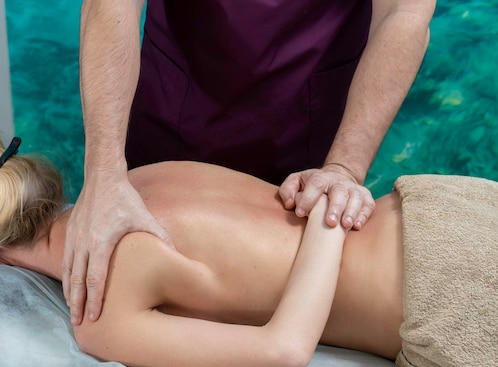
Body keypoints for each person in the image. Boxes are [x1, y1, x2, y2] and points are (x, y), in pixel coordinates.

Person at [0, 128, 497, 367]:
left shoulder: (99, 313)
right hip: (444, 208)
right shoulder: (146, 176)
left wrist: (329, 221)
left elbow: (284, 351)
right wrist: (339, 190)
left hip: (449, 300)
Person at [69, 0, 437, 325]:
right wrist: (103, 172)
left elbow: (403, 12)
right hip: (177, 94)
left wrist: (344, 167)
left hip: (305, 107)